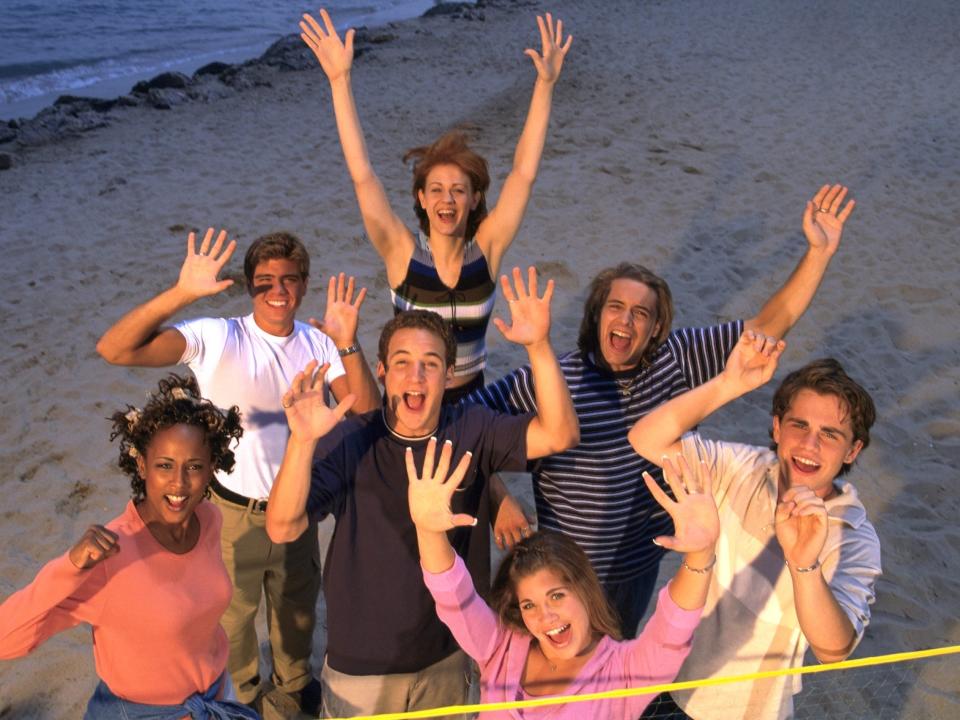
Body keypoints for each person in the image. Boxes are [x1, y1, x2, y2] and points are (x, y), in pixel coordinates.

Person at [468, 185, 857, 637]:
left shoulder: (677, 357)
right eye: (615, 307)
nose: (626, 321)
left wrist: (819, 251)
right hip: (563, 574)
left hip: (637, 570)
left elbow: (769, 325)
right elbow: (463, 432)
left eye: (641, 314)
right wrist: (499, 501)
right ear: (596, 316)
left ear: (656, 329)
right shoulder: (549, 380)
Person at [300, 7, 572, 544]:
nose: (448, 199)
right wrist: (339, 80)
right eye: (437, 190)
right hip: (408, 397)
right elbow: (362, 175)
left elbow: (524, 171)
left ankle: (491, 507)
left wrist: (544, 86)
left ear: (474, 202)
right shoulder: (403, 252)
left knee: (464, 526)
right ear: (422, 201)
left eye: (459, 191)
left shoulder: (487, 250)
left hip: (472, 400)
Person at [266, 267, 579, 717]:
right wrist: (301, 440)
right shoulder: (353, 439)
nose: (416, 376)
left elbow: (560, 434)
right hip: (362, 667)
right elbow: (281, 527)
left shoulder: (471, 427)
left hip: (449, 659)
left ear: (449, 375)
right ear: (382, 371)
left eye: (430, 364)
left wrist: (539, 347)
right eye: (402, 362)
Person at [95, 228, 380, 715]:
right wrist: (182, 293)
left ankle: (293, 686)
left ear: (304, 284)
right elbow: (116, 350)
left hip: (297, 508)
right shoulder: (218, 336)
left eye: (289, 280)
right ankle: (243, 697)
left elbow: (369, 416)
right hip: (228, 514)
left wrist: (349, 344)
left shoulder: (320, 342)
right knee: (232, 621)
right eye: (265, 280)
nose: (278, 291)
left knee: (296, 613)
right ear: (249, 286)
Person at [629, 333, 881, 719]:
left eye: (830, 435)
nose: (809, 445)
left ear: (853, 450)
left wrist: (804, 565)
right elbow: (645, 438)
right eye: (799, 425)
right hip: (663, 683)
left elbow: (835, 650)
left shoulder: (854, 536)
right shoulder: (737, 466)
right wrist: (728, 384)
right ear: (777, 428)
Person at [0, 375, 257, 719]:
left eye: (193, 467)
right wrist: (70, 567)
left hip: (214, 698)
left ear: (212, 468)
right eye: (164, 465)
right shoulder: (109, 556)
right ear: (141, 465)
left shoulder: (209, 519)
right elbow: (7, 638)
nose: (179, 483)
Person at [407, 436, 720, 719]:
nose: (545, 616)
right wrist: (427, 530)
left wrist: (701, 554)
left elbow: (672, 631)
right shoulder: (499, 647)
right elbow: (453, 595)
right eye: (529, 605)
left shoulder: (625, 673)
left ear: (584, 590)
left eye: (556, 595)